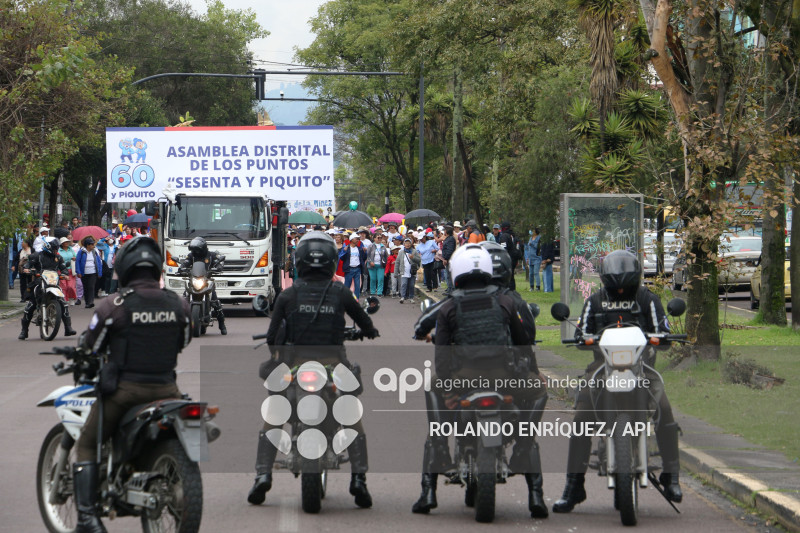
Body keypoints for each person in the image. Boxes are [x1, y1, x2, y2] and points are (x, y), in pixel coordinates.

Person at [411, 244, 546, 518]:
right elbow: (523, 343)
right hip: (504, 378)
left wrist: (448, 384)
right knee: (540, 390)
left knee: (432, 392)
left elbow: (443, 356)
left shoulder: (448, 306)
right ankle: (532, 484)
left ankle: (429, 488)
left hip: (464, 380)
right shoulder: (507, 301)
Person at [247, 231, 380, 508]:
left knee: (274, 414)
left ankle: (262, 476)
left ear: (300, 260)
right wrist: (369, 331)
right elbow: (365, 322)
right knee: (352, 415)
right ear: (332, 261)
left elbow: (272, 338)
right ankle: (359, 480)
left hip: (294, 368)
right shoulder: (340, 292)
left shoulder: (288, 295)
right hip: (333, 367)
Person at [71, 237, 191, 533]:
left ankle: (86, 518)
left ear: (124, 268)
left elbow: (92, 345)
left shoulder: (114, 305)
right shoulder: (179, 304)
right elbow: (183, 341)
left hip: (126, 392)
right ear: (157, 268)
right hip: (168, 391)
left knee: (86, 444)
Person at [552, 250, 682, 514]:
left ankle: (672, 476)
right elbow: (583, 332)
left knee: (664, 410)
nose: (621, 290)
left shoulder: (648, 298)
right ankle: (573, 485)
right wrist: (582, 338)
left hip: (642, 367)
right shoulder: (595, 301)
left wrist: (663, 338)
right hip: (602, 367)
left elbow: (665, 331)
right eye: (616, 285)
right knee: (581, 417)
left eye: (626, 284)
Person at [18, 237, 77, 339]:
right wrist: (27, 269)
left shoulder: (58, 258)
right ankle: (24, 331)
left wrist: (64, 274)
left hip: (54, 283)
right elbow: (27, 265)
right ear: (48, 247)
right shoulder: (37, 256)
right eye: (54, 248)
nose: (56, 250)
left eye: (57, 248)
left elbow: (64, 268)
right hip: (39, 282)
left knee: (63, 303)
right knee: (30, 305)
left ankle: (68, 327)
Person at [177, 237, 227, 335]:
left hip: (207, 281)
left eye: (197, 249)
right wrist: (181, 268)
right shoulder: (192, 256)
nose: (195, 251)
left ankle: (222, 324)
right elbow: (186, 263)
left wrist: (218, 267)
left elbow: (218, 262)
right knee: (183, 300)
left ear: (203, 248)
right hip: (194, 280)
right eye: (193, 250)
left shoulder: (211, 255)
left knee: (215, 301)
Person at [76, 237, 103, 309]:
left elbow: (99, 262)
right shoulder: (81, 252)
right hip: (84, 273)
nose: (93, 246)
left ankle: (91, 302)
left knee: (91, 286)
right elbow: (77, 262)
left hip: (93, 272)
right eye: (91, 244)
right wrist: (78, 272)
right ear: (87, 245)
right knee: (86, 287)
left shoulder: (95, 252)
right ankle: (87, 302)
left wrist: (100, 272)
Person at [340, 233, 367, 299]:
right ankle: (345, 300)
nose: (358, 240)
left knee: (357, 286)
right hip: (349, 269)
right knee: (347, 286)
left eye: (358, 239)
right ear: (351, 240)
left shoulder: (360, 249)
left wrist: (364, 252)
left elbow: (363, 258)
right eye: (356, 239)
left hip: (357, 269)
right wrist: (344, 251)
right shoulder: (347, 248)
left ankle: (356, 300)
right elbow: (341, 258)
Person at [397, 238, 421, 304]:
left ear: (411, 244)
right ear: (404, 244)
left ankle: (411, 297)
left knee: (411, 285)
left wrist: (413, 257)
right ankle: (402, 297)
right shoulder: (401, 252)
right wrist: (396, 272)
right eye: (406, 243)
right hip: (404, 271)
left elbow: (419, 260)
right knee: (404, 284)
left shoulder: (414, 251)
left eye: (409, 243)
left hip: (412, 271)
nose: (407, 244)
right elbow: (397, 262)